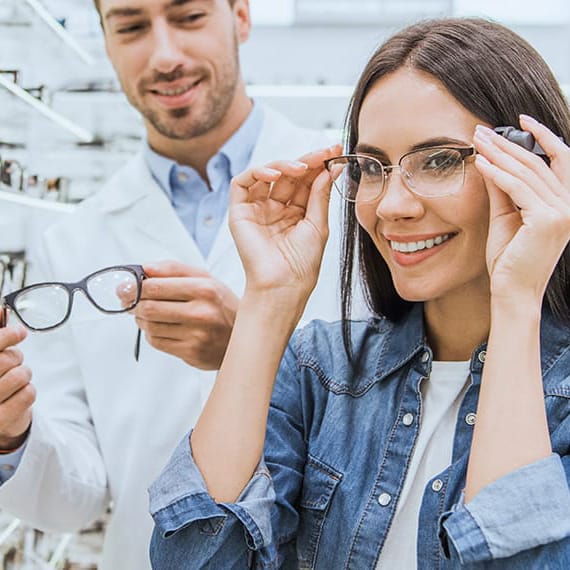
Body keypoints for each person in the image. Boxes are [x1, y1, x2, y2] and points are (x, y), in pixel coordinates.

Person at [149, 17, 570, 569]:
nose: (392, 204)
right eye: (372, 167)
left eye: (438, 160)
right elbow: (195, 561)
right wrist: (269, 300)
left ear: (529, 165)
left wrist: (517, 301)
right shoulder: (317, 371)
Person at [0, 1, 343, 569]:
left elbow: (399, 422)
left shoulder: (348, 194)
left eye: (187, 17)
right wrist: (12, 437)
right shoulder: (72, 239)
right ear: (105, 40)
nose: (164, 56)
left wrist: (247, 345)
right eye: (132, 27)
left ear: (240, 16)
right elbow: (77, 498)